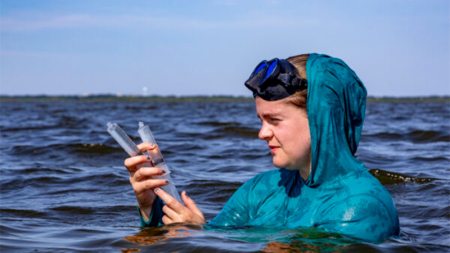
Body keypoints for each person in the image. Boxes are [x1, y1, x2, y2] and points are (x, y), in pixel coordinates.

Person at [124, 53, 400, 243]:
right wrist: (153, 208)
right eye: (260, 120)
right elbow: (206, 237)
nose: (262, 133)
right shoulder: (262, 189)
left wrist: (201, 236)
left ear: (321, 119)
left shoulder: (360, 208)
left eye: (274, 120)